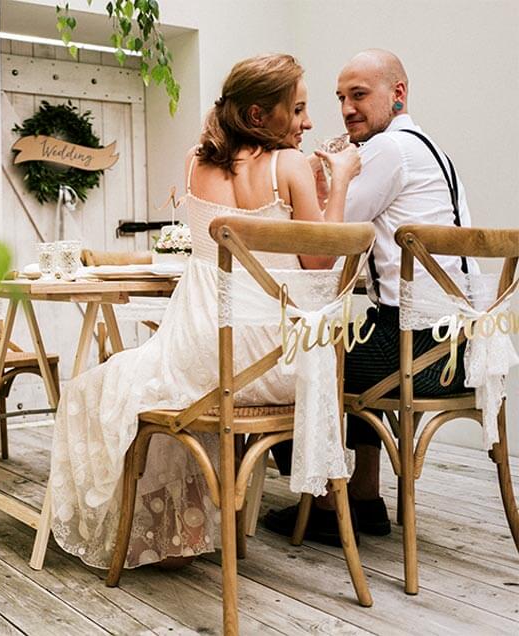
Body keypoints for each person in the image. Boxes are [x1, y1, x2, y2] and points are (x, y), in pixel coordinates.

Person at [48, 53, 361, 569]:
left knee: (101, 386)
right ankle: (199, 525)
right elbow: (321, 262)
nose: (308, 122)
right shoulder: (292, 166)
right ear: (260, 115)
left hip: (205, 362)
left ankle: (175, 530)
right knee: (139, 381)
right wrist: (341, 178)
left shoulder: (197, 162)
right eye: (299, 109)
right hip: (285, 367)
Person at [265, 49, 472, 545]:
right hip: (461, 348)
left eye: (359, 95)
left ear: (397, 93)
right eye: (340, 98)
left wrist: (322, 179)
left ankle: (322, 502)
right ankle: (364, 496)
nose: (346, 108)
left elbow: (324, 242)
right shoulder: (430, 149)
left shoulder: (387, 150)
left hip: (422, 353)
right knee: (352, 338)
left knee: (288, 362)